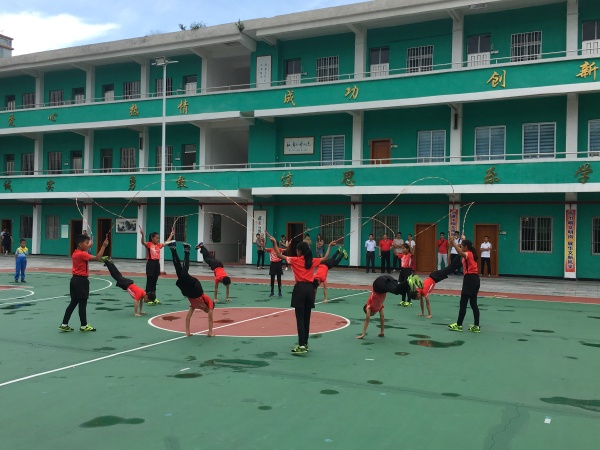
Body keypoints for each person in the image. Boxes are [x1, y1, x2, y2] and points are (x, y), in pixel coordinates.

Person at [269, 235, 333, 355]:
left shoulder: (295, 260)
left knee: (300, 319)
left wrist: (274, 243)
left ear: (300, 251)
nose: (296, 251)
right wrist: (329, 246)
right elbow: (325, 258)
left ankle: (302, 345)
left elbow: (279, 255)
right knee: (306, 318)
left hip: (300, 289)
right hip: (310, 289)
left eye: (297, 249)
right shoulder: (311, 261)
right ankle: (305, 343)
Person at [59, 234, 109, 332]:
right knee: (82, 303)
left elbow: (84, 251)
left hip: (74, 280)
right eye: (86, 243)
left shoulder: (76, 253)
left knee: (73, 302)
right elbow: (98, 258)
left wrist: (88, 246)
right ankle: (84, 325)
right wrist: (103, 246)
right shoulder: (82, 254)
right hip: (81, 281)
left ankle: (64, 324)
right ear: (80, 244)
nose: (88, 244)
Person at [169, 243, 214, 337]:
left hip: (188, 292)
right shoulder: (209, 303)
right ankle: (187, 251)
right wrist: (210, 332)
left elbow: (188, 317)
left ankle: (173, 249)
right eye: (209, 310)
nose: (207, 312)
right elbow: (210, 318)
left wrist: (187, 332)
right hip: (196, 289)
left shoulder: (194, 305)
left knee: (178, 271)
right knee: (183, 274)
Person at [356, 274, 420, 339]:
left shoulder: (369, 306)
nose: (371, 315)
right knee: (401, 291)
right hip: (387, 280)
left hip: (378, 284)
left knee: (396, 290)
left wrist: (363, 334)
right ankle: (411, 281)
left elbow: (367, 320)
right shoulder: (379, 306)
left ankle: (408, 280)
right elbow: (382, 318)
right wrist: (382, 331)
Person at [448, 236, 481, 333]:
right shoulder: (471, 253)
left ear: (466, 247)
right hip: (475, 279)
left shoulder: (468, 254)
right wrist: (461, 240)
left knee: (463, 303)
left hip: (470, 279)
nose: (461, 247)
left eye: (462, 246)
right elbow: (461, 249)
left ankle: (459, 325)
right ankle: (476, 326)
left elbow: (460, 252)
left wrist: (453, 244)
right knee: (473, 303)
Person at [139, 228, 174, 304]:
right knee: (149, 282)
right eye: (156, 238)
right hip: (150, 264)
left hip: (157, 264)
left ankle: (153, 298)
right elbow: (142, 242)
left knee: (154, 282)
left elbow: (166, 242)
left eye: (158, 238)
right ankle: (147, 298)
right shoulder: (149, 244)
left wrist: (171, 235)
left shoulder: (159, 245)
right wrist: (142, 235)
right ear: (152, 238)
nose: (158, 240)